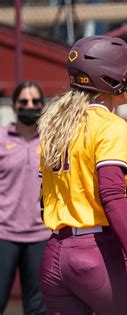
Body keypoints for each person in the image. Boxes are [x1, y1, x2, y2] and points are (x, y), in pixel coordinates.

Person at [37, 35, 127, 315]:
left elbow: (75, 183)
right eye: (126, 73)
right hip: (93, 252)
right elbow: (110, 193)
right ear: (107, 78)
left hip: (55, 252)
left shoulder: (54, 123)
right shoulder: (110, 124)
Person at [0, 81, 50, 315]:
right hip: (3, 234)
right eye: (24, 102)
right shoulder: (1, 138)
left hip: (41, 234)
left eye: (35, 102)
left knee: (37, 307)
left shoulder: (52, 141)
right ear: (14, 106)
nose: (30, 106)